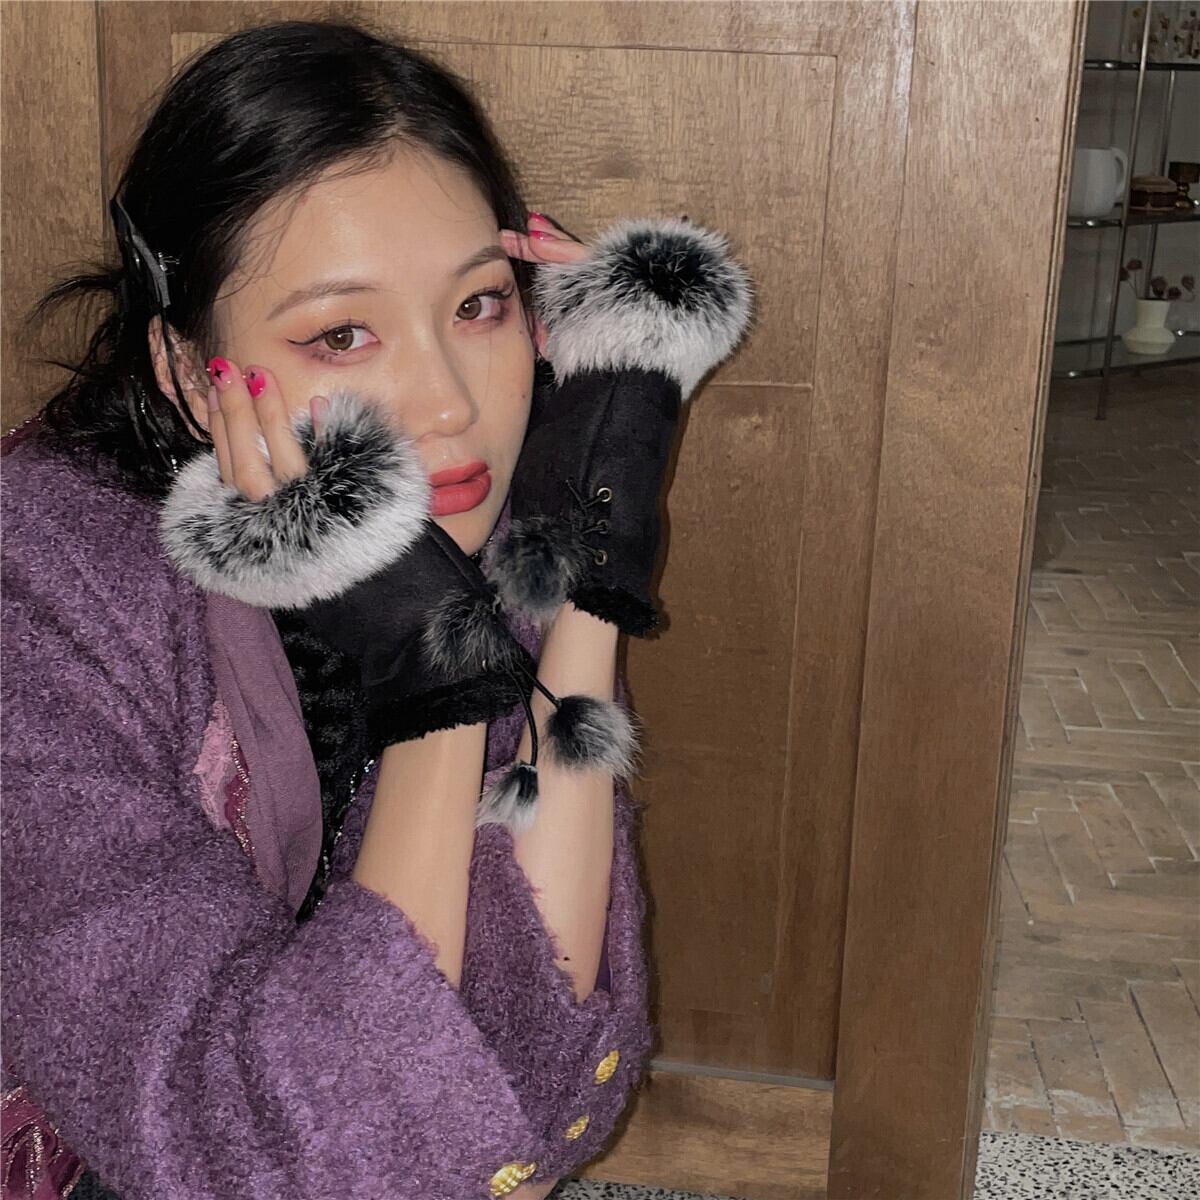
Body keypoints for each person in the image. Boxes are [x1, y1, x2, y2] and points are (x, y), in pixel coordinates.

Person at [1, 18, 751, 1200]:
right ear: (190, 373)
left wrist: (586, 570)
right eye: (343, 334)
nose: (447, 404)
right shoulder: (41, 595)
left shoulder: (467, 532)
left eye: (481, 306)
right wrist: (439, 691)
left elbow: (540, 1084)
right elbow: (282, 1160)